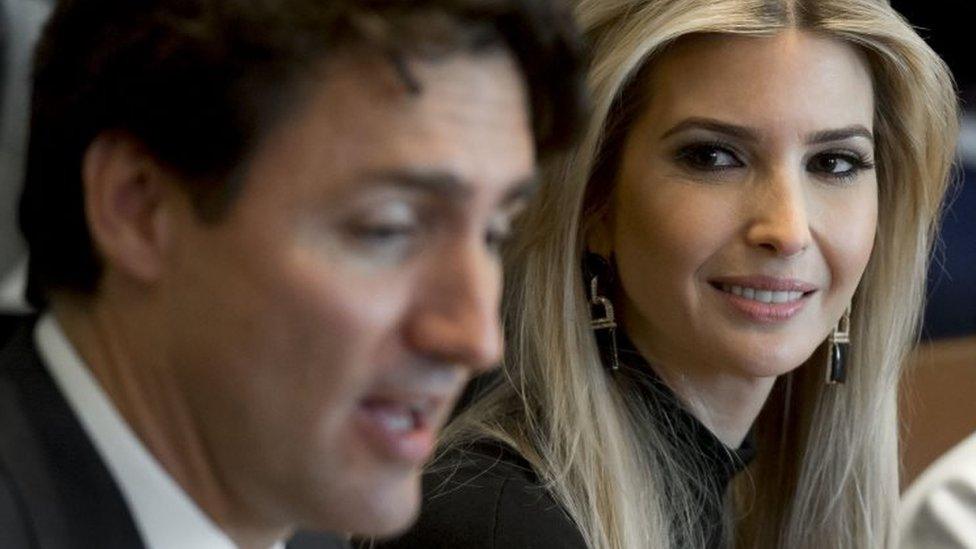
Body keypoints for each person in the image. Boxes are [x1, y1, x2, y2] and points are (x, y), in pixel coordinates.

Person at [0, 0, 584, 548]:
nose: (478, 339)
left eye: (493, 234)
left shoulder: (300, 519)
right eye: (389, 228)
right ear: (139, 207)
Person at [378, 0, 959, 547]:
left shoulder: (742, 500)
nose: (788, 229)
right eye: (712, 157)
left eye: (834, 163)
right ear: (592, 201)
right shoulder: (498, 525)